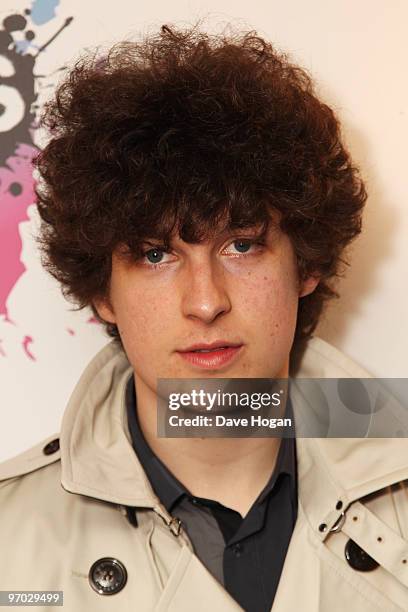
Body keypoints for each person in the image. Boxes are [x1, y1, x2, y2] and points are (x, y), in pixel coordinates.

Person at [0, 23, 407, 612]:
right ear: (102, 291)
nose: (205, 301)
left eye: (242, 245)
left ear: (307, 267)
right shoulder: (11, 541)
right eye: (156, 254)